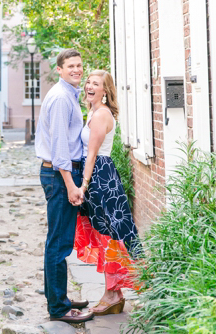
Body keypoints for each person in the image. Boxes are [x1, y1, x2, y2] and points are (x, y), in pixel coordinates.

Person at [35, 49, 94, 325]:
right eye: (70, 65)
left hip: (61, 174)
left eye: (79, 65)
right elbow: (60, 148)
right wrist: (71, 185)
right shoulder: (61, 98)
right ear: (59, 69)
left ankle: (59, 298)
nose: (77, 69)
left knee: (59, 242)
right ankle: (58, 307)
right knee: (58, 244)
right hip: (60, 176)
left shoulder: (69, 93)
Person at [74, 70, 140, 315]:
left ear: (105, 90)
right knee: (106, 233)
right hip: (99, 176)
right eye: (88, 82)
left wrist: (83, 184)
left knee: (108, 235)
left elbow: (92, 154)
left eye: (96, 84)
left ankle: (111, 294)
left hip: (101, 178)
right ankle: (114, 293)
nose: (90, 86)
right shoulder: (93, 111)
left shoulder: (101, 114)